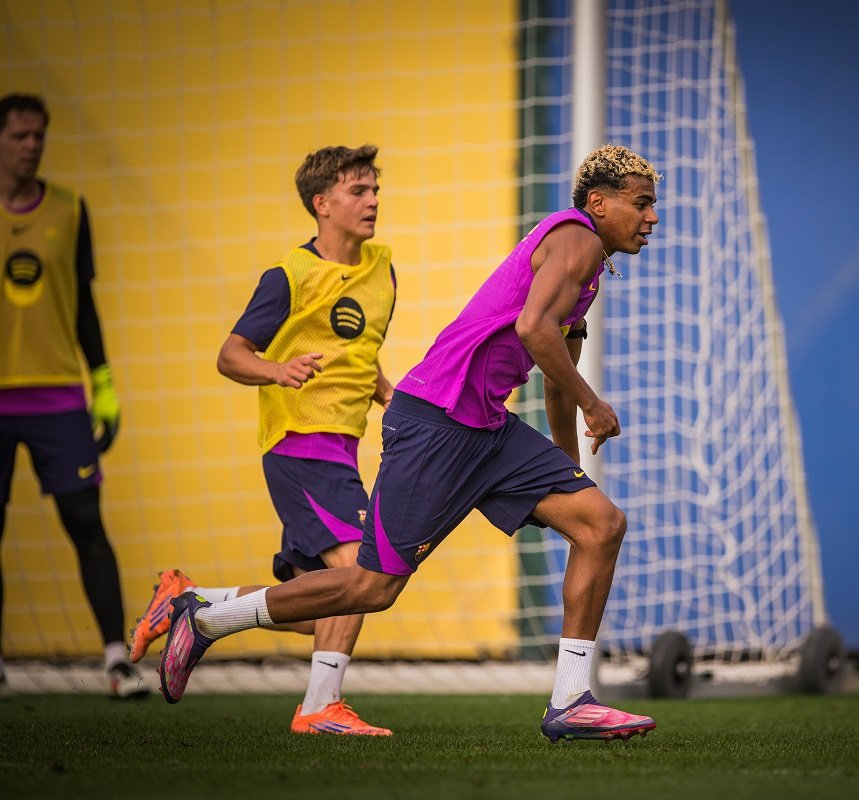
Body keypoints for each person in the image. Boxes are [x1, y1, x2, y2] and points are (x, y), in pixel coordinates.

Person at [157, 143, 661, 742]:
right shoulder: (576, 238)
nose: (651, 217)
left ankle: (570, 701)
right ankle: (208, 618)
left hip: (486, 427)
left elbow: (554, 367)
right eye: (641, 204)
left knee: (600, 524)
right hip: (437, 422)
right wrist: (593, 403)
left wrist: (568, 476)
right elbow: (532, 330)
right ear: (598, 203)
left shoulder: (585, 271)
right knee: (371, 588)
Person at [129, 145, 396, 735]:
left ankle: (191, 601)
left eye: (375, 189)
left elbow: (360, 351)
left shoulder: (383, 269)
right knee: (362, 573)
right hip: (301, 444)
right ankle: (319, 707)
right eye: (359, 191)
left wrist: (387, 396)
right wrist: (278, 370)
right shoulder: (288, 275)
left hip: (342, 447)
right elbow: (230, 355)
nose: (373, 200)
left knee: (312, 606)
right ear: (321, 204)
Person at [0, 93, 147, 698]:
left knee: (86, 520)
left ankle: (117, 661)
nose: (32, 145)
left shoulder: (68, 209)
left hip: (59, 396)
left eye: (39, 135)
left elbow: (83, 303)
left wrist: (104, 382)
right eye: (20, 136)